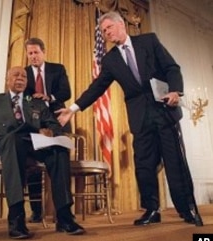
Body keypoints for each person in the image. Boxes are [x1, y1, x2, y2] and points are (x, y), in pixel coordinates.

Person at [56, 11, 203, 226]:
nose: (106, 33)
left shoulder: (149, 41)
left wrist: (175, 91)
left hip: (164, 111)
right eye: (103, 31)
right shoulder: (110, 60)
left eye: (108, 28)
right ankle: (152, 209)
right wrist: (74, 108)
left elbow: (172, 68)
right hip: (140, 118)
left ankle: (187, 208)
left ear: (121, 24)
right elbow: (97, 88)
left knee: (175, 162)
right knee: (144, 165)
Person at [0, 66, 85, 239]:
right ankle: (16, 219)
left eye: (24, 76)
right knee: (13, 141)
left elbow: (53, 124)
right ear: (7, 79)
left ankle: (64, 217)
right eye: (16, 75)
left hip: (34, 142)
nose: (20, 78)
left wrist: (50, 131)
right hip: (8, 142)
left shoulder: (36, 102)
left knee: (59, 149)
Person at [24, 38, 72, 223]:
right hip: (34, 123)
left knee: (60, 162)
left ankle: (62, 212)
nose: (33, 56)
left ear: (43, 52)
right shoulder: (24, 73)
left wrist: (48, 97)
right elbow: (23, 99)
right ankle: (37, 211)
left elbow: (66, 92)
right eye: (30, 53)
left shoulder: (57, 69)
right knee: (34, 167)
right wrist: (33, 102)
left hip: (57, 119)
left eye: (36, 52)